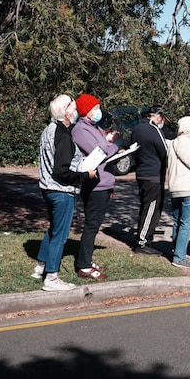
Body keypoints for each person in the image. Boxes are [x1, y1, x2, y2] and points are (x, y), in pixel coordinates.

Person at [35, 94, 97, 291]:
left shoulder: (49, 130)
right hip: (62, 190)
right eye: (74, 106)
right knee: (60, 235)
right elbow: (62, 171)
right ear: (66, 110)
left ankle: (41, 266)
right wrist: (85, 175)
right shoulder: (62, 135)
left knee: (53, 229)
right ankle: (51, 277)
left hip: (48, 188)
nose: (77, 109)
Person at [71, 93, 122, 280]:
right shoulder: (81, 130)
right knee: (92, 225)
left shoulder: (94, 127)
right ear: (86, 111)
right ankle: (83, 265)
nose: (98, 111)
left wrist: (112, 146)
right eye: (95, 108)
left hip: (103, 182)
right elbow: (100, 151)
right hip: (95, 184)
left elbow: (105, 147)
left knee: (94, 224)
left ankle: (86, 259)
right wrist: (114, 147)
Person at [166, 116, 190, 268]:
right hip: (189, 186)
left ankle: (176, 249)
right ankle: (179, 257)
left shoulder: (172, 143)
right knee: (186, 223)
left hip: (174, 186)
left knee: (177, 221)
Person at [132, 105, 168, 254]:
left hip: (141, 172)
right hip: (153, 175)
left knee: (145, 207)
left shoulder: (136, 129)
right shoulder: (154, 130)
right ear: (154, 116)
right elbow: (165, 151)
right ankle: (142, 242)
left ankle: (145, 235)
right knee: (151, 209)